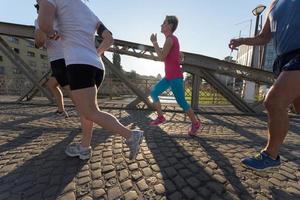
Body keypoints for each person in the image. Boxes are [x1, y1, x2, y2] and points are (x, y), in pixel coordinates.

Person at [37, 0, 143, 160]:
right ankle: (84, 148)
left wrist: (53, 34)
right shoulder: (86, 9)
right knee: (88, 111)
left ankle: (130, 135)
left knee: (90, 111)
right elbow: (109, 39)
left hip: (79, 63)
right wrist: (97, 53)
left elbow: (44, 25)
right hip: (97, 66)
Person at [229, 0, 300, 171]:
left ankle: (271, 155)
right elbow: (264, 37)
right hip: (284, 59)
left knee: (274, 102)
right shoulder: (274, 3)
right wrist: (242, 40)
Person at [149, 15, 201, 135]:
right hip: (168, 77)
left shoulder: (170, 39)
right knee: (153, 93)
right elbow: (172, 51)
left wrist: (154, 42)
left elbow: (162, 57)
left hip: (175, 77)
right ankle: (161, 117)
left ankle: (196, 123)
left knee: (181, 101)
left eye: (164, 23)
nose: (161, 25)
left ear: (170, 26)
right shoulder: (171, 39)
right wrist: (179, 53)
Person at [34, 3, 71, 118]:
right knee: (52, 84)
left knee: (71, 89)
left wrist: (39, 26)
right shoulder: (61, 16)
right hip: (69, 55)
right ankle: (61, 111)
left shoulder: (39, 20)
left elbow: (39, 43)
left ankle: (87, 114)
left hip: (58, 58)